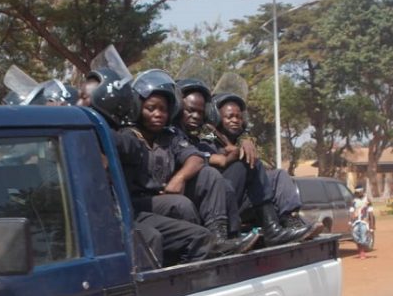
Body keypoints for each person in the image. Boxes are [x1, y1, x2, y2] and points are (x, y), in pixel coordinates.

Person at [86, 67, 258, 264]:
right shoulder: (129, 135)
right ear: (138, 107)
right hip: (137, 203)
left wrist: (179, 178)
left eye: (163, 109)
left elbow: (195, 158)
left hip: (165, 196)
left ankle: (219, 239)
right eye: (151, 108)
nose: (158, 114)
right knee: (181, 205)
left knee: (209, 175)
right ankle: (195, 250)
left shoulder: (170, 137)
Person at [206, 90, 320, 246]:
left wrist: (244, 143)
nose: (235, 120)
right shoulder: (208, 137)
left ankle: (289, 221)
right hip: (220, 200)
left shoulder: (242, 138)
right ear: (217, 117)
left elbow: (252, 150)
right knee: (248, 161)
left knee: (279, 175)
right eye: (229, 117)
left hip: (242, 198)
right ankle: (272, 230)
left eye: (239, 117)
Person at [350, 185, 375, 260]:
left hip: (365, 221)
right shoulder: (354, 201)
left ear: (362, 191)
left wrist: (372, 225)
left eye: (359, 192)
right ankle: (361, 250)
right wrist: (351, 221)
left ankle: (362, 252)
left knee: (363, 239)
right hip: (356, 222)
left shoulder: (367, 200)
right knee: (355, 236)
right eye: (357, 192)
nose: (358, 193)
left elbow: (371, 213)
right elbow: (351, 211)